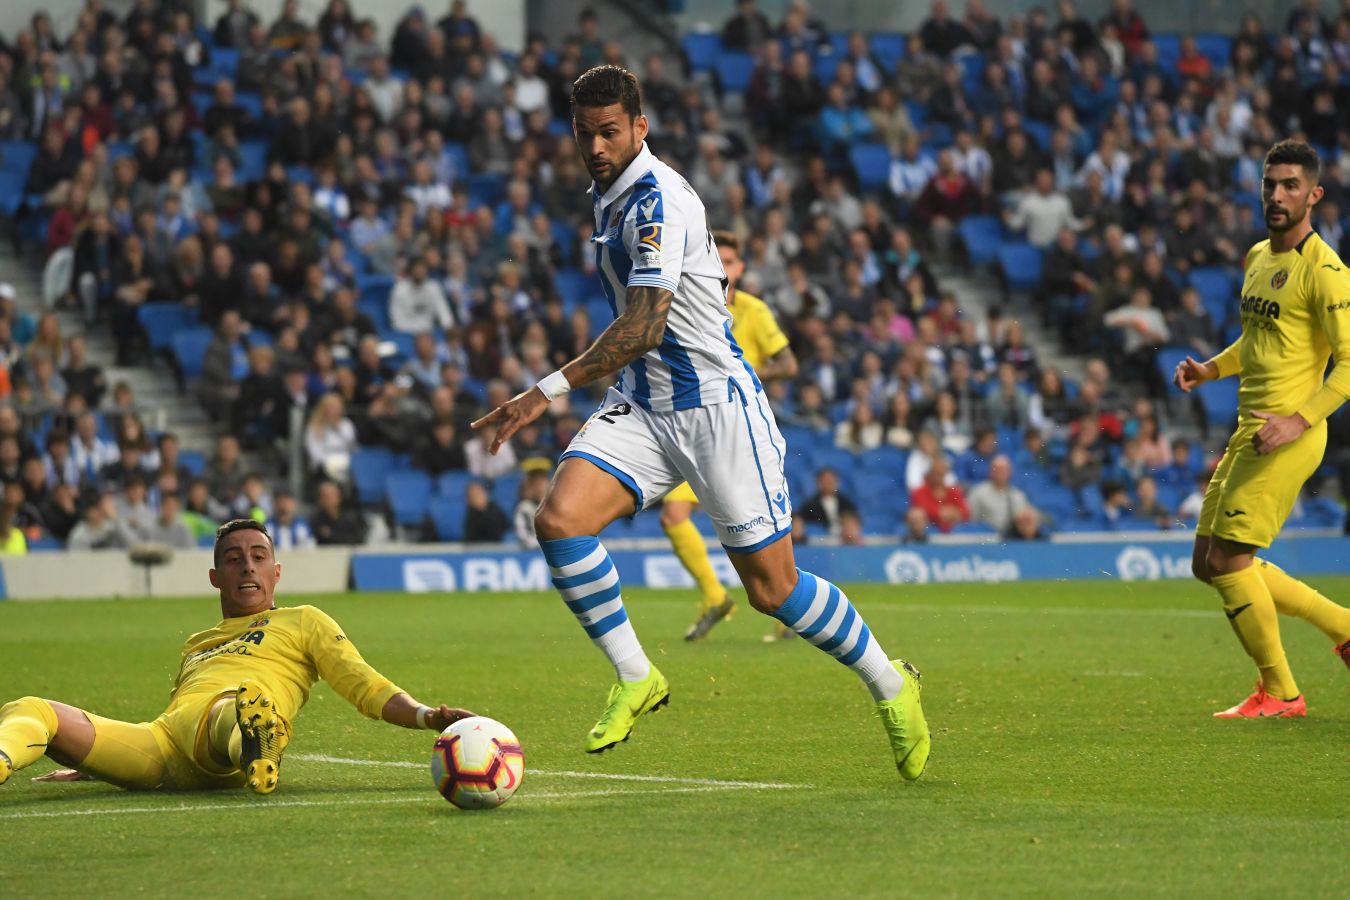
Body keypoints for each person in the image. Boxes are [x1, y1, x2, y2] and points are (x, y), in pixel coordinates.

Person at [471, 65, 929, 779]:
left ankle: (892, 685)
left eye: (610, 132)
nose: (595, 145)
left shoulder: (657, 200)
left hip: (716, 409)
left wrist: (545, 390)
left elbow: (647, 324)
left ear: (639, 128)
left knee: (773, 591)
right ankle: (636, 674)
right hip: (646, 406)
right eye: (584, 133)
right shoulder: (607, 194)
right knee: (559, 520)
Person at [0, 519, 473, 794]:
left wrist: (428, 716)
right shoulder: (199, 642)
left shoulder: (303, 620)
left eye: (258, 555)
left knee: (236, 702)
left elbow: (365, 686)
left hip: (224, 728)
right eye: (234, 558)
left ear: (276, 571)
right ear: (214, 576)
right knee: (35, 710)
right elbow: (176, 713)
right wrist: (96, 760)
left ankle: (254, 741)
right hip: (163, 747)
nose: (247, 564)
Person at [1174, 140, 1350, 718]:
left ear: (1314, 196)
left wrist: (1297, 421)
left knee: (1229, 562)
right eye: (1270, 184)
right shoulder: (1258, 257)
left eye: (1291, 186)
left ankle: (1281, 693)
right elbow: (1258, 339)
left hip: (1291, 434)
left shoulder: (1326, 273)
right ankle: (1344, 627)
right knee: (1208, 562)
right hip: (1252, 429)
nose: (1277, 195)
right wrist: (1211, 369)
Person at [662, 230, 799, 642]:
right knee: (673, 515)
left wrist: (750, 375)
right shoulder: (687, 303)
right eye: (716, 257)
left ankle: (789, 606)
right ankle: (715, 596)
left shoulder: (754, 311)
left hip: (741, 428)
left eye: (731, 260)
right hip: (696, 426)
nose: (724, 265)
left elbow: (788, 363)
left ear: (740, 267)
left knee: (757, 527)